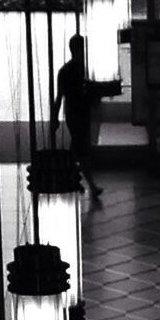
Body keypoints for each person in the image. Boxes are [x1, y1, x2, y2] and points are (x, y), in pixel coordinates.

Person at [53, 34, 103, 198]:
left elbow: (59, 96)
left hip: (72, 113)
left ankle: (71, 178)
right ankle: (87, 184)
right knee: (82, 150)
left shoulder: (64, 71)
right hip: (81, 113)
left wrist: (55, 117)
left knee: (78, 148)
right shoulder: (83, 70)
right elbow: (91, 92)